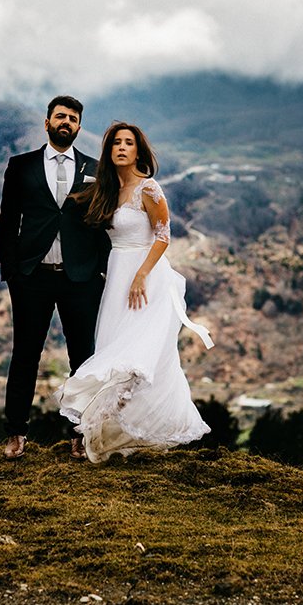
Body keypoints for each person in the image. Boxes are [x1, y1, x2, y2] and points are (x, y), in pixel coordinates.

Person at [54, 122, 214, 463]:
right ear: (109, 151)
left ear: (138, 151)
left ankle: (131, 426)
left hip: (145, 279)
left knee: (135, 358)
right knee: (112, 349)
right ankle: (109, 435)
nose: (122, 148)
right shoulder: (107, 190)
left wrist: (142, 274)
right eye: (116, 143)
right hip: (115, 276)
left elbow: (163, 235)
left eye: (129, 143)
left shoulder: (149, 188)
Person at [0, 95, 110, 460]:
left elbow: (102, 227)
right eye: (60, 116)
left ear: (79, 127)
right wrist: (12, 272)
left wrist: (102, 271)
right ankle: (16, 434)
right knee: (25, 355)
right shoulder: (21, 166)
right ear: (47, 123)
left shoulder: (94, 169)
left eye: (73, 118)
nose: (66, 122)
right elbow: (7, 222)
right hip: (32, 277)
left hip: (81, 278)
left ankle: (80, 436)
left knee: (84, 359)